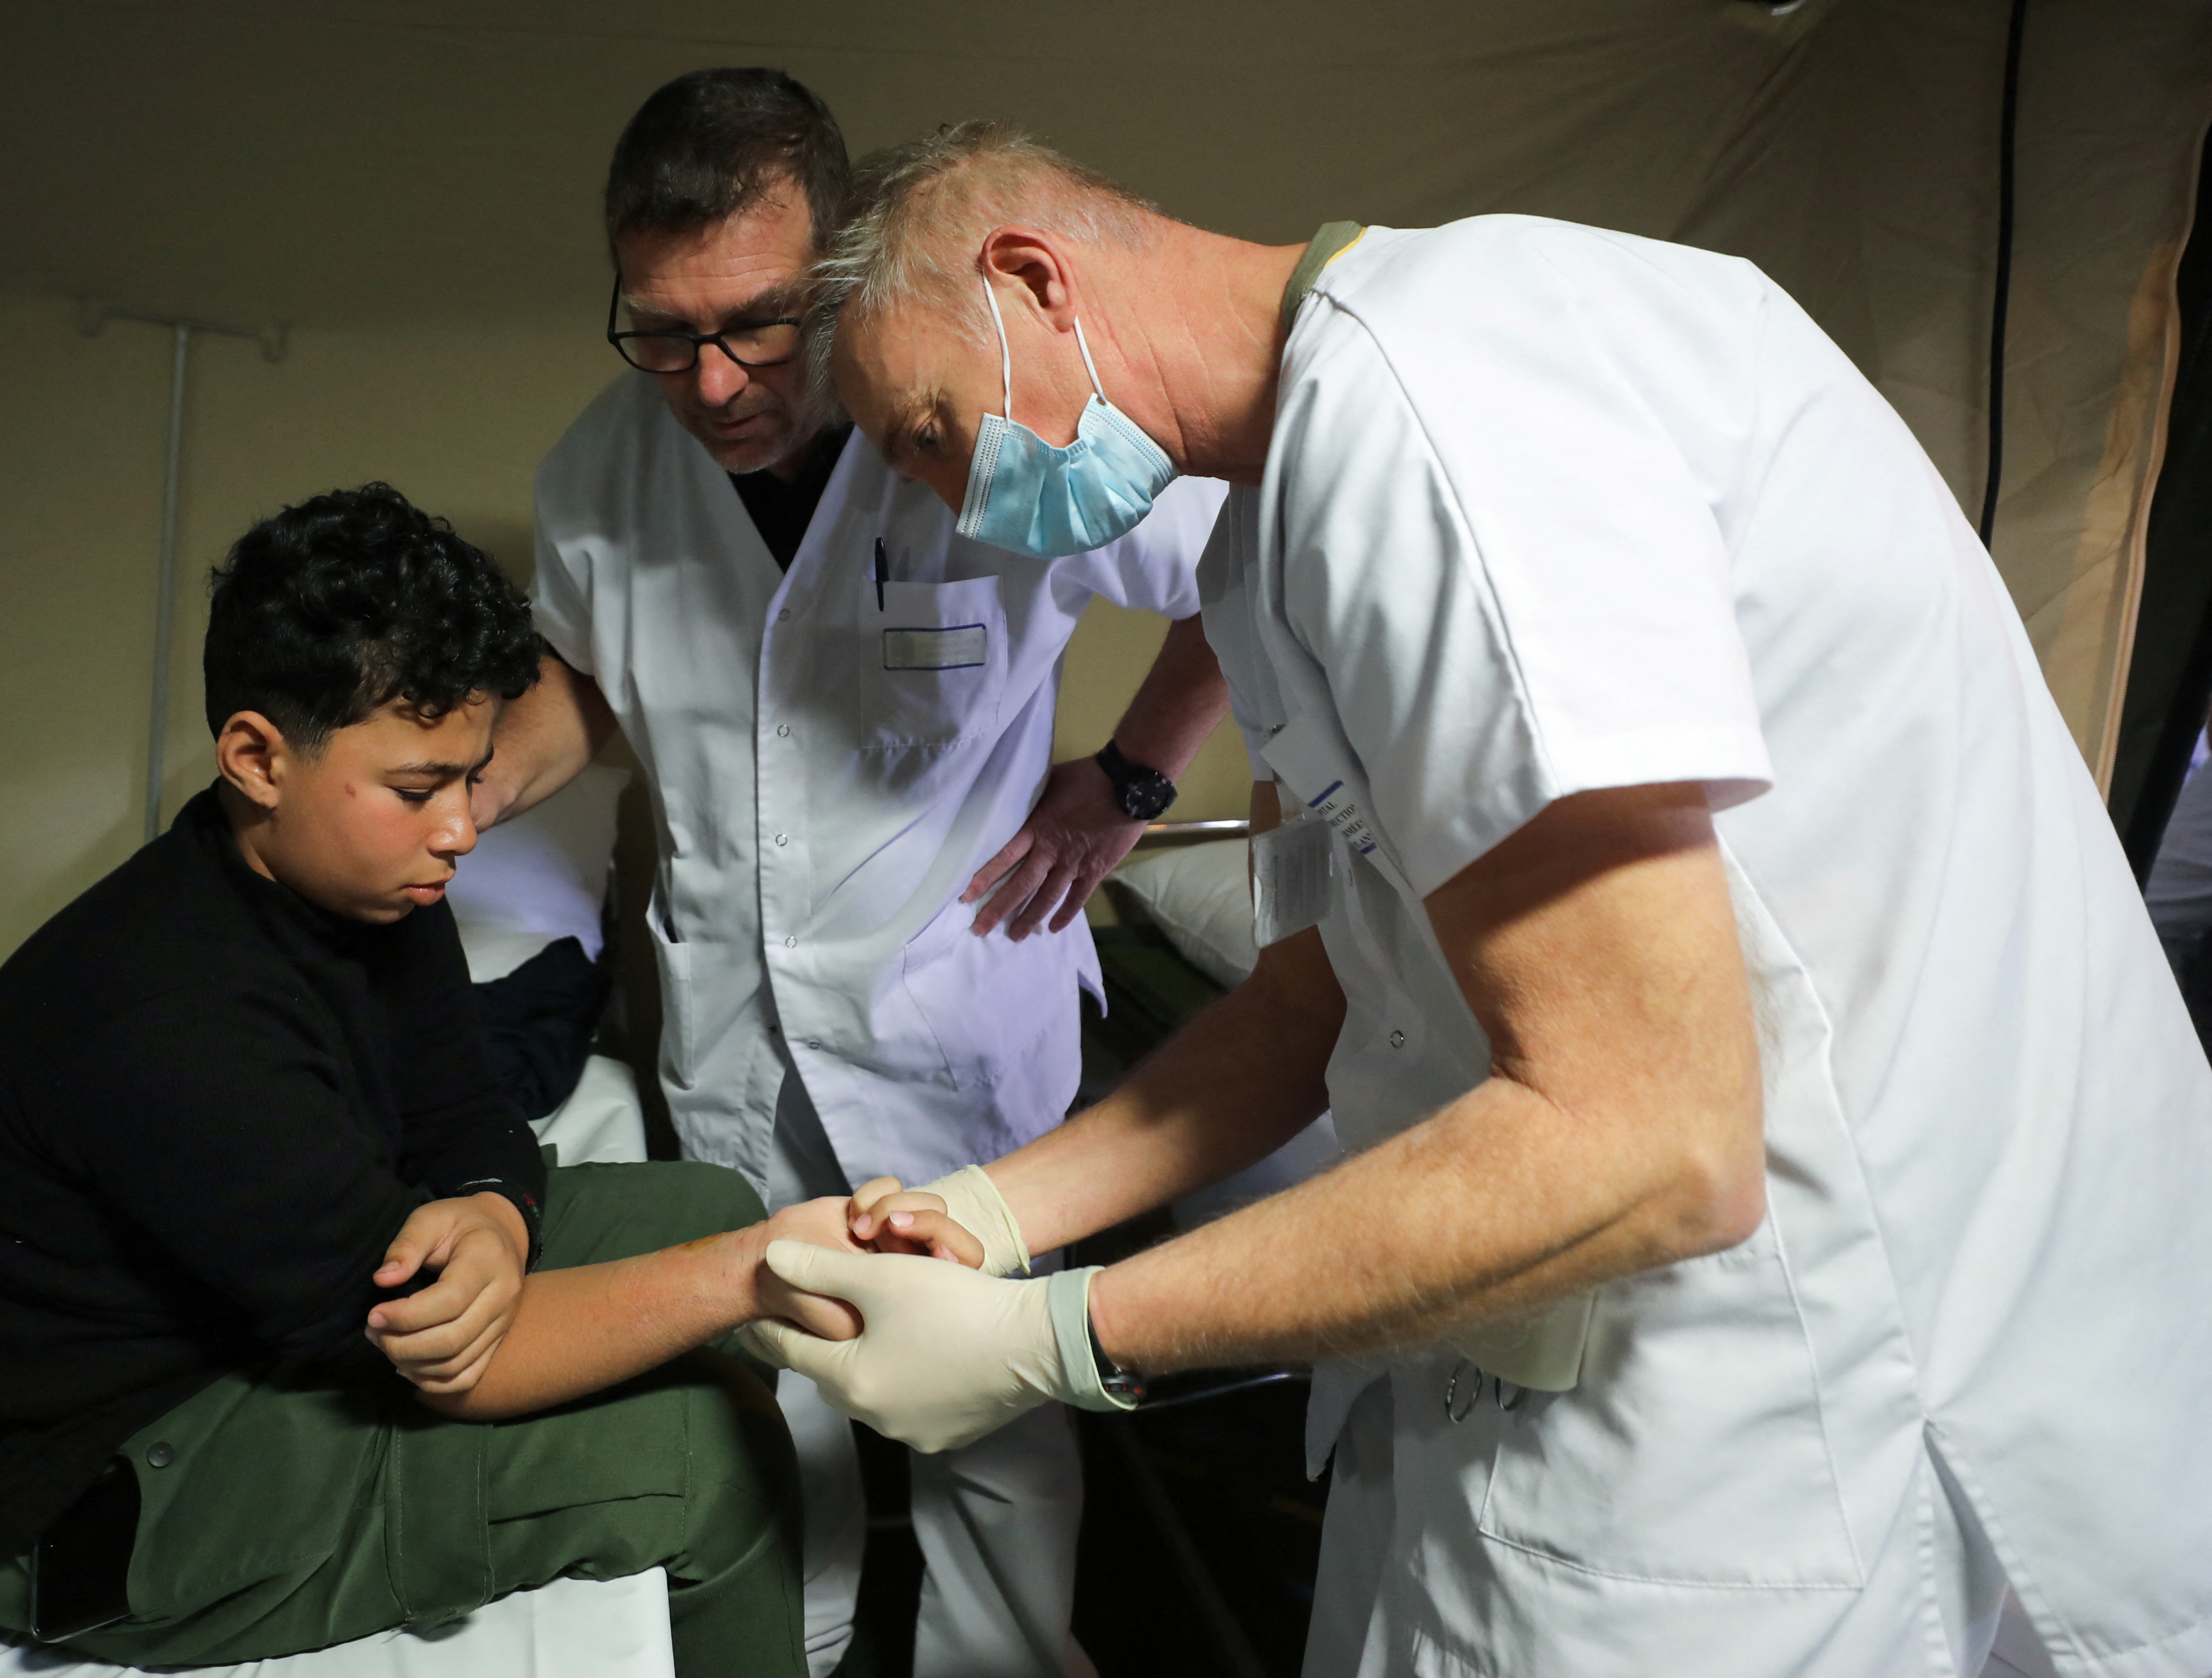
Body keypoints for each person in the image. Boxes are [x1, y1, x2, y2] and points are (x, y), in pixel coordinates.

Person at [750, 125, 2212, 1678]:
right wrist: (993, 1214)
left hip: (1763, 1376)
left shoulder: (1452, 416)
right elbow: (1318, 1003)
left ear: (1032, 280)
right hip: (1531, 1348)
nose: (960, 507)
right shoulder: (1265, 543)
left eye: (929, 432)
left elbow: (1651, 1137)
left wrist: (1064, 1339)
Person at [474, 72, 1229, 1678]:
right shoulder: (601, 472)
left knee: (993, 1418)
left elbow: (1241, 568)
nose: (715, 377)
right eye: (663, 332)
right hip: (735, 1017)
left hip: (948, 1003)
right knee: (768, 1383)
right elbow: (596, 684)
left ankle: (1000, 1660)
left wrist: (1135, 777)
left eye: (755, 323)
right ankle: (789, 1650)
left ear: (838, 269)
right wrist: (453, 787)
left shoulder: (976, 422)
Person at [0, 484, 880, 1674]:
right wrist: (744, 1282)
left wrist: (489, 1209)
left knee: (714, 1205)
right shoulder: (165, 1020)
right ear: (256, 756)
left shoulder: (364, 879)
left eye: (472, 777)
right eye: (420, 788)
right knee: (699, 1449)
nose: (463, 827)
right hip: (105, 1492)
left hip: (264, 1318)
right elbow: (456, 1363)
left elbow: (465, 1112)